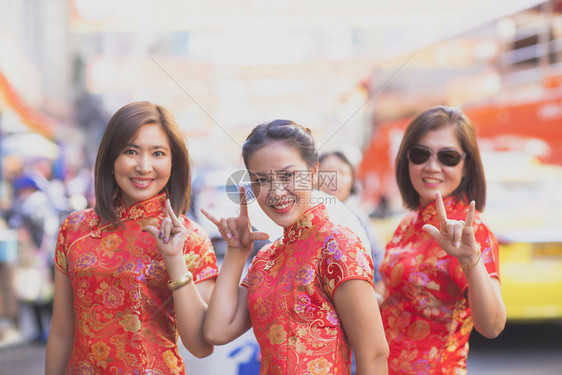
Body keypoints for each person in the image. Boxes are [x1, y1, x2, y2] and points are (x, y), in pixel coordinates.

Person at [202, 119, 389, 374]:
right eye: (262, 180)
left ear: (313, 173)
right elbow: (218, 330)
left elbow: (375, 356)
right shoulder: (267, 258)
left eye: (288, 175)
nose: (276, 192)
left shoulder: (337, 246)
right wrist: (236, 251)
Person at [45, 101, 218, 374]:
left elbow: (200, 345)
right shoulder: (74, 230)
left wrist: (174, 259)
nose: (144, 166)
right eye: (131, 151)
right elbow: (61, 332)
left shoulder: (191, 238)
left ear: (174, 162)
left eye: (158, 153)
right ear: (111, 158)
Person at [378, 106, 506, 374]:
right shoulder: (407, 225)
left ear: (466, 164)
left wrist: (471, 260)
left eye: (448, 157)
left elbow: (492, 326)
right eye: (420, 154)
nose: (432, 167)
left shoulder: (470, 231)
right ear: (407, 159)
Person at [318, 151, 384, 282]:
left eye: (342, 172)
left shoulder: (359, 218)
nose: (335, 178)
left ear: (352, 180)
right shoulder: (305, 216)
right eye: (328, 172)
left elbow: (378, 261)